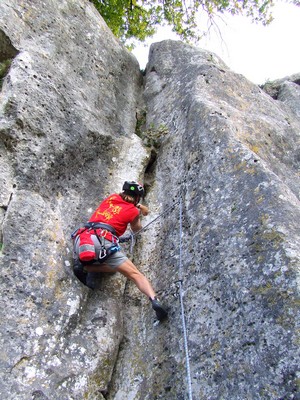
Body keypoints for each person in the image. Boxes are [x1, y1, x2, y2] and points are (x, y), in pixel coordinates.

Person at [72, 181, 168, 321]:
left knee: (111, 269)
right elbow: (136, 229)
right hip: (104, 243)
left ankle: (84, 266)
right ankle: (154, 300)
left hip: (82, 240)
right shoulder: (133, 211)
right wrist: (140, 214)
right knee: (136, 275)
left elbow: (123, 203)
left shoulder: (111, 198)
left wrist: (140, 207)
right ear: (137, 198)